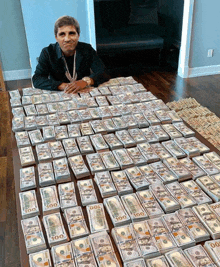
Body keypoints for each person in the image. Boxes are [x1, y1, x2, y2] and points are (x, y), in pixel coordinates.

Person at [32, 15, 109, 93]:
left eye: (71, 33)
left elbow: (103, 72)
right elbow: (37, 79)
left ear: (78, 36)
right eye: (62, 34)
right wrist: (64, 86)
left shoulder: (87, 49)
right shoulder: (48, 52)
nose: (67, 39)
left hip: (83, 91)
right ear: (56, 37)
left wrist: (85, 82)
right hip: (60, 93)